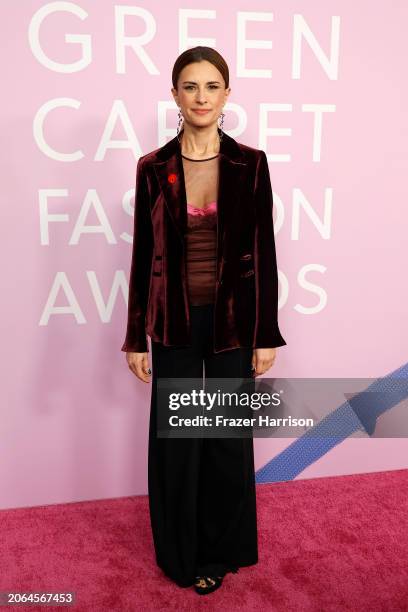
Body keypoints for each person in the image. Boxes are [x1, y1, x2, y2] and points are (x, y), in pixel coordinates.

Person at [121, 46, 286, 595]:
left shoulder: (251, 164)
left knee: (224, 438)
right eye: (190, 86)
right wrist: (135, 338)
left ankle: (221, 550)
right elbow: (143, 257)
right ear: (174, 95)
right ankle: (180, 552)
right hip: (173, 326)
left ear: (227, 95)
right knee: (178, 442)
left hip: (234, 326)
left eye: (211, 86)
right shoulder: (152, 167)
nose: (201, 97)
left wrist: (266, 334)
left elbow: (263, 253)